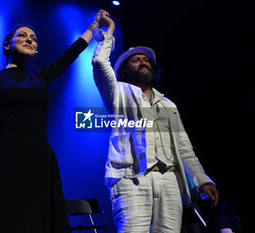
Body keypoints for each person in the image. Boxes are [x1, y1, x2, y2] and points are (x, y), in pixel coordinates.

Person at [0, 9, 110, 233]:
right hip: (5, 164)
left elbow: (69, 55)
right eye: (22, 35)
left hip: (41, 165)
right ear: (7, 45)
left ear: (36, 49)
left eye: (33, 38)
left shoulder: (39, 79)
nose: (29, 39)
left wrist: (92, 28)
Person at [92, 14, 219, 233]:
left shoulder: (167, 103)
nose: (143, 62)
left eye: (146, 60)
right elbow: (99, 63)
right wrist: (109, 31)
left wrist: (201, 180)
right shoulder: (118, 93)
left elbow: (183, 146)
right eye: (136, 60)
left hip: (169, 179)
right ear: (125, 69)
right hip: (132, 179)